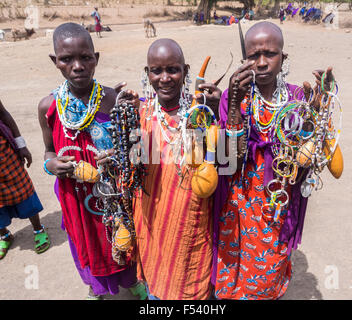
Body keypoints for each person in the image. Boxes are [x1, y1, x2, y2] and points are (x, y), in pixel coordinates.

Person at [213, 21, 341, 300]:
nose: (260, 62)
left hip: (277, 202)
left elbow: (311, 156)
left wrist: (321, 108)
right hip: (237, 203)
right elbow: (227, 159)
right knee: (231, 269)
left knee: (266, 274)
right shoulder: (233, 96)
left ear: (283, 57)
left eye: (269, 54)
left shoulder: (296, 97)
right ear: (244, 58)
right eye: (252, 55)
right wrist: (234, 103)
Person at [37, 22, 146, 300]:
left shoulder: (112, 99)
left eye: (85, 57)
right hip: (76, 199)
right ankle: (94, 287)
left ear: (95, 59)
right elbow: (48, 151)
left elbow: (138, 147)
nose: (77, 66)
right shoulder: (48, 107)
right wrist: (52, 166)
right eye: (66, 59)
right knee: (86, 244)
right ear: (55, 62)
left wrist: (118, 154)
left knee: (123, 237)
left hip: (113, 195)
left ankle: (133, 281)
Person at [131, 38, 221, 299]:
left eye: (173, 69)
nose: (165, 78)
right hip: (152, 226)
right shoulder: (138, 113)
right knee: (157, 290)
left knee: (192, 289)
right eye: (156, 71)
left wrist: (214, 114)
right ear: (147, 74)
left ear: (186, 70)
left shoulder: (201, 114)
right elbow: (129, 168)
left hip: (191, 224)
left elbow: (225, 163)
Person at [0, 99, 50, 260]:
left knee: (23, 192)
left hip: (4, 155)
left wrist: (21, 145)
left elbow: (3, 114)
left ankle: (38, 229)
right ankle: (4, 235)